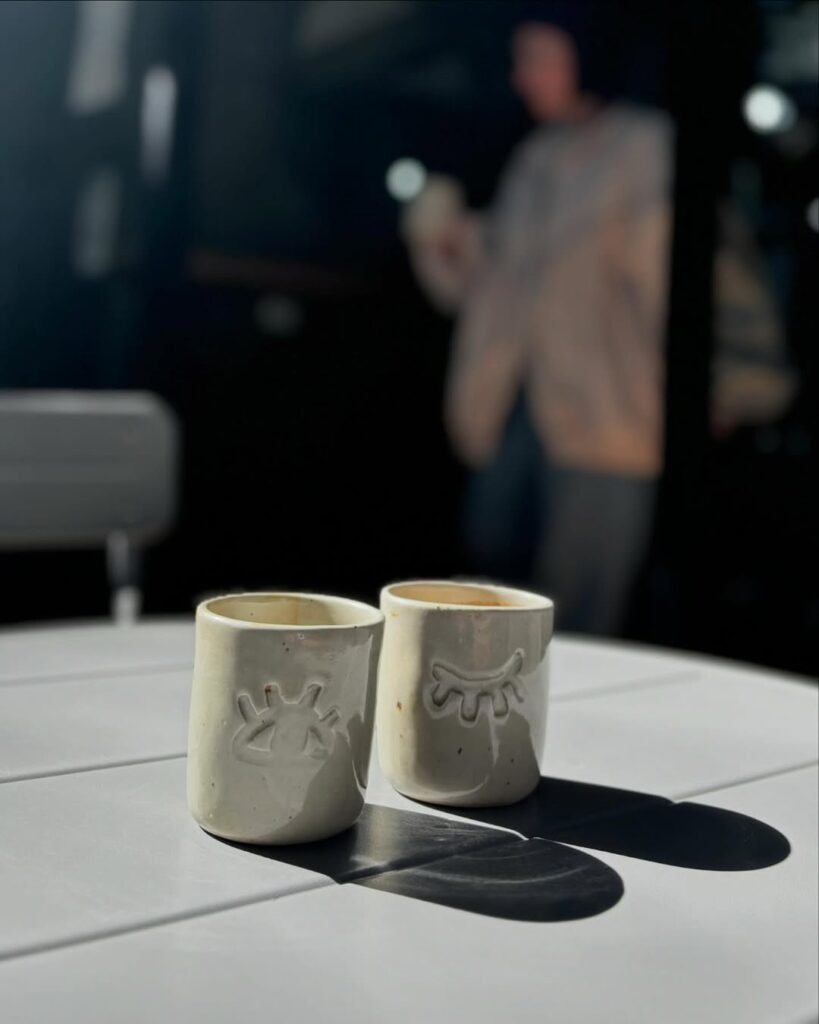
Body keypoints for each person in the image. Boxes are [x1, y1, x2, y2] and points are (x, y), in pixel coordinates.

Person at [403, 6, 673, 634]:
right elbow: (488, 286)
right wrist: (440, 238)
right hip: (513, 405)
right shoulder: (535, 157)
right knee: (490, 589)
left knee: (580, 606)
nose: (523, 76)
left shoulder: (643, 146)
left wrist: (725, 385)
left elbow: (669, 281)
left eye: (539, 59)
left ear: (585, 56)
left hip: (608, 417)